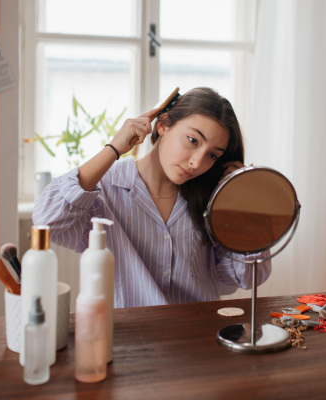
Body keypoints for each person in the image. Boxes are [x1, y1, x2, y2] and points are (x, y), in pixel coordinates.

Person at [33, 87, 271, 308]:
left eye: (211, 155)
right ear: (164, 125)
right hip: (127, 342)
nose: (197, 162)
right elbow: (47, 220)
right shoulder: (103, 189)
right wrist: (114, 148)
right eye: (192, 140)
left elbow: (247, 276)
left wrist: (241, 200)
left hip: (199, 339)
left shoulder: (211, 199)